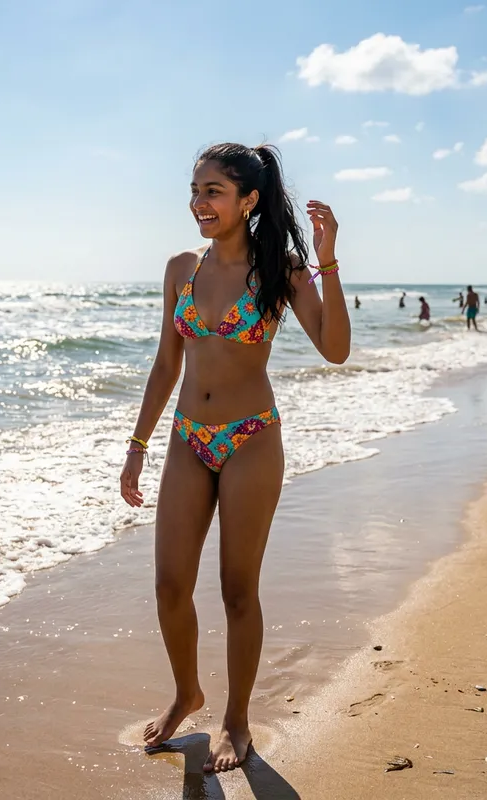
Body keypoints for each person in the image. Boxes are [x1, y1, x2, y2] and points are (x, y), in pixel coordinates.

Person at [120, 143, 350, 773]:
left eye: (214, 191)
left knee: (236, 590)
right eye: (195, 190)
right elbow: (167, 363)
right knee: (170, 584)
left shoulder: (281, 271)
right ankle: (186, 693)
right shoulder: (180, 269)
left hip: (252, 437)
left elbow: (334, 350)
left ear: (249, 200)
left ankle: (236, 718)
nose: (200, 203)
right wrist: (137, 446)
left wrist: (327, 266)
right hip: (187, 437)